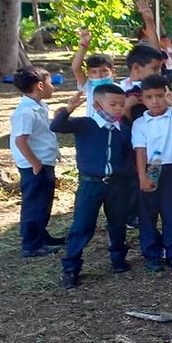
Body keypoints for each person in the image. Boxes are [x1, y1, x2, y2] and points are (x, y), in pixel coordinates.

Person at [51, 84, 135, 288]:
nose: (117, 108)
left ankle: (118, 259)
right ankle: (71, 268)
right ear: (97, 105)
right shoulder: (85, 124)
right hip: (90, 184)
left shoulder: (123, 129)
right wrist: (68, 109)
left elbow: (128, 154)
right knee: (82, 226)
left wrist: (127, 174)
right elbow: (57, 127)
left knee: (117, 223)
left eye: (121, 105)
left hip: (117, 185)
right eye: (112, 104)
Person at [131, 75, 172, 273]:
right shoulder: (140, 124)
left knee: (171, 211)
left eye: (160, 96)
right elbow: (140, 151)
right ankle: (152, 254)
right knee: (148, 213)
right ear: (142, 99)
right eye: (149, 97)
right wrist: (143, 176)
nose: (155, 101)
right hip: (152, 168)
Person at [8, 66, 62, 257]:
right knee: (35, 204)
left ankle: (41, 235)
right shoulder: (26, 112)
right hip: (35, 166)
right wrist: (36, 164)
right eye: (50, 83)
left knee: (44, 202)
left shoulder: (38, 106)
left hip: (44, 162)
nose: (52, 87)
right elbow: (20, 140)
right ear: (40, 85)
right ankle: (31, 244)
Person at [69, 30, 116, 119]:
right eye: (94, 72)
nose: (99, 75)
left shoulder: (120, 89)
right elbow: (76, 68)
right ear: (88, 74)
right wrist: (83, 45)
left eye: (104, 71)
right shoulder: (89, 86)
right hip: (93, 125)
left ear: (112, 72)